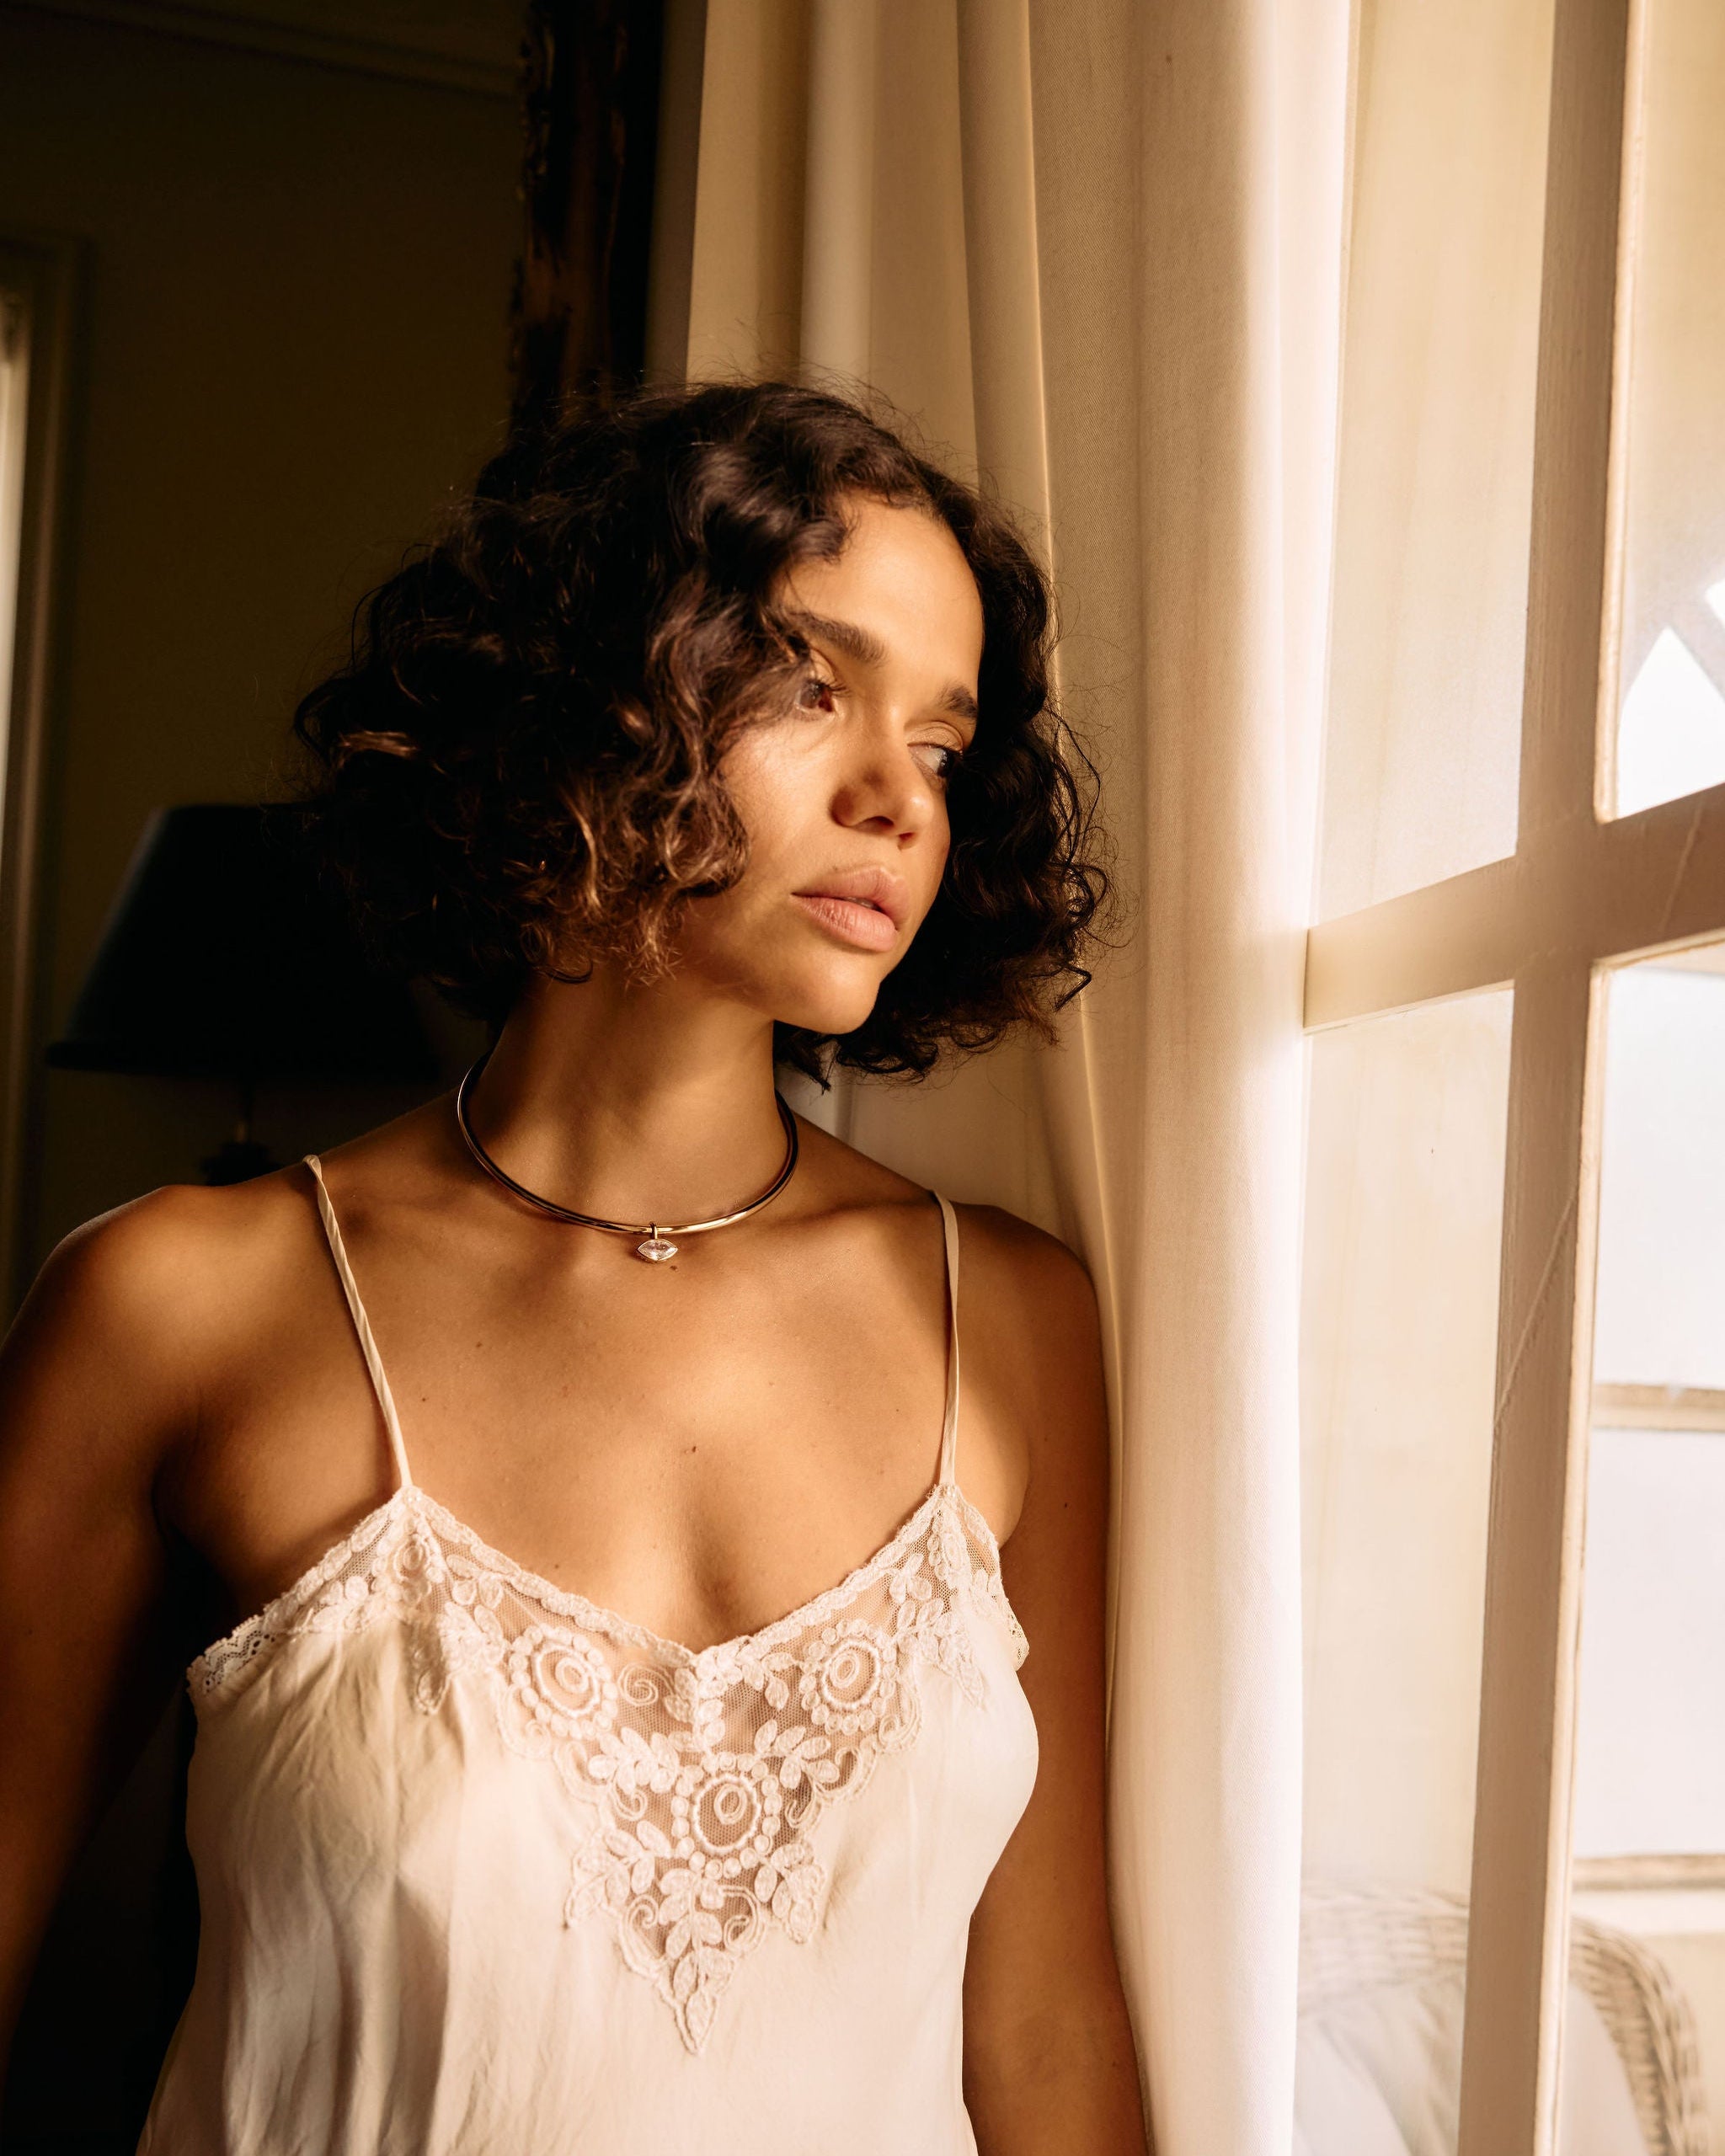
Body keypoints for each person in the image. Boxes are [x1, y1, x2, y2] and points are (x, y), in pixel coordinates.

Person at [0, 382, 1146, 2153]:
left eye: (938, 740)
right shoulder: (182, 1300)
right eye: (809, 684)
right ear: (593, 691)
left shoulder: (1006, 1317)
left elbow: (1048, 2022)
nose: (893, 799)